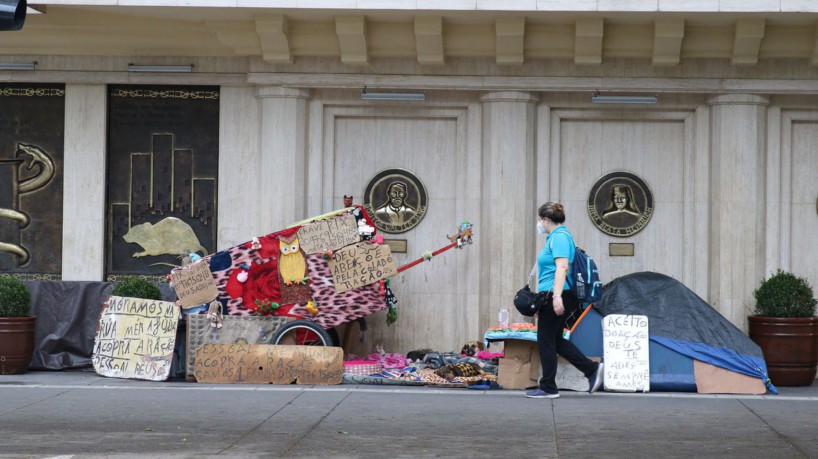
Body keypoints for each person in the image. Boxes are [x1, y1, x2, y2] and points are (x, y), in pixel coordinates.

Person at [525, 202, 604, 399]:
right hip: (557, 294)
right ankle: (591, 370)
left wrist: (557, 297)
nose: (539, 223)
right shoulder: (557, 237)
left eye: (540, 219)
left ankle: (548, 387)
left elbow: (562, 268)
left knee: (545, 339)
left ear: (545, 220)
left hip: (559, 294)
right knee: (555, 339)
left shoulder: (559, 237)